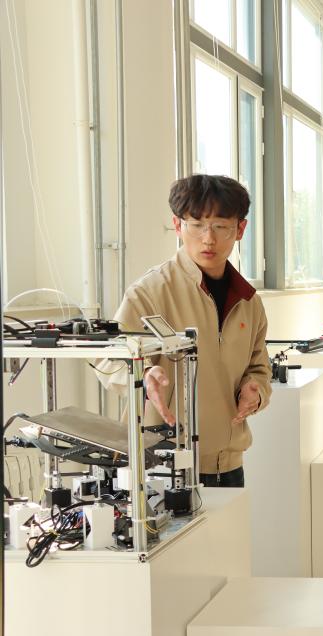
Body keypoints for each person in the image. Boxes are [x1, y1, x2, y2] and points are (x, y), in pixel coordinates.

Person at [99, 174, 272, 488]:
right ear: (177, 225)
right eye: (197, 225)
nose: (208, 239)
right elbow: (108, 360)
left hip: (228, 465)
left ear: (240, 229)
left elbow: (259, 367)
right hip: (162, 465)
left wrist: (255, 390)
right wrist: (142, 375)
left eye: (220, 226)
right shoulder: (149, 292)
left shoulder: (249, 302)